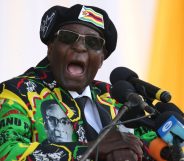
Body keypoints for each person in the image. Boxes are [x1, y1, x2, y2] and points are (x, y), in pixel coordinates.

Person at [0, 4, 156, 161]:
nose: (79, 47)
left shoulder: (117, 99)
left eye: (93, 42)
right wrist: (93, 148)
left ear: (102, 58)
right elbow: (6, 151)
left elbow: (153, 144)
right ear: (51, 48)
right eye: (67, 37)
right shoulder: (16, 93)